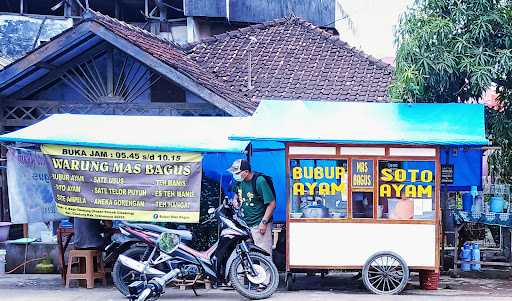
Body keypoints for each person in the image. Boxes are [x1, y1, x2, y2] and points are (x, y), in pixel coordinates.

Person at [228, 159, 276, 256]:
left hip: (259, 223)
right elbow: (237, 192)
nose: (235, 175)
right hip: (245, 224)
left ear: (246, 172)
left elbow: (272, 203)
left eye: (237, 173)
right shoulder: (240, 181)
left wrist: (264, 222)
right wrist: (235, 200)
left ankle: (267, 272)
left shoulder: (260, 181)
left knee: (264, 255)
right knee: (244, 256)